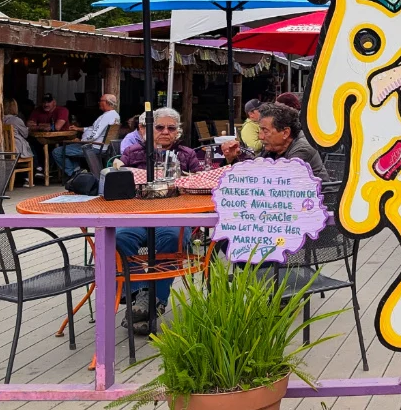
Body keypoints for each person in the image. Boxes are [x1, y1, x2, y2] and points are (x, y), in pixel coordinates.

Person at [115, 107, 203, 336]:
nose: (165, 131)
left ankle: (153, 301)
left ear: (178, 132)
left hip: (172, 217)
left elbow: (202, 184)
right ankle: (138, 294)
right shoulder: (133, 153)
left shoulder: (186, 155)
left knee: (173, 238)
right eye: (160, 127)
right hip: (136, 216)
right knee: (118, 238)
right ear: (147, 130)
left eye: (171, 128)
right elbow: (117, 183)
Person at [220, 102, 328, 180]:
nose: (261, 137)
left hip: (320, 207)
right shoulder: (273, 147)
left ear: (285, 133)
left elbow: (277, 182)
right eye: (260, 130)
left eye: (265, 131)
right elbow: (251, 170)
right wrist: (231, 159)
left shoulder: (303, 149)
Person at [52, 94, 120, 179]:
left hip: (93, 147)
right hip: (102, 147)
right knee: (71, 149)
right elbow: (94, 129)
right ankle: (78, 170)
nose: (99, 102)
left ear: (106, 102)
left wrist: (80, 141)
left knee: (57, 151)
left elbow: (94, 135)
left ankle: (74, 173)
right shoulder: (115, 115)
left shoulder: (106, 117)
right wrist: (79, 129)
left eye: (100, 101)